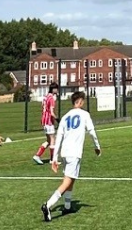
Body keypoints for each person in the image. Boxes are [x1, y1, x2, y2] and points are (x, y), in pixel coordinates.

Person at [42, 91, 101, 222]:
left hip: (65, 153)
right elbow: (92, 132)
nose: (83, 103)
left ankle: (67, 206)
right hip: (74, 153)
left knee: (71, 179)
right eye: (83, 101)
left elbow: (59, 139)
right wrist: (97, 146)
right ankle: (48, 205)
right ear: (79, 101)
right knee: (67, 181)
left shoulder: (65, 117)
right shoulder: (84, 115)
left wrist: (55, 158)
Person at [32, 82, 60, 165]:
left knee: (48, 140)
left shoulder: (45, 97)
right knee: (52, 139)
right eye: (57, 89)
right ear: (54, 89)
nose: (57, 90)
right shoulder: (51, 98)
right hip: (49, 121)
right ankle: (52, 160)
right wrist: (57, 119)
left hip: (44, 120)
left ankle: (37, 155)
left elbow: (43, 107)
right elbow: (51, 112)